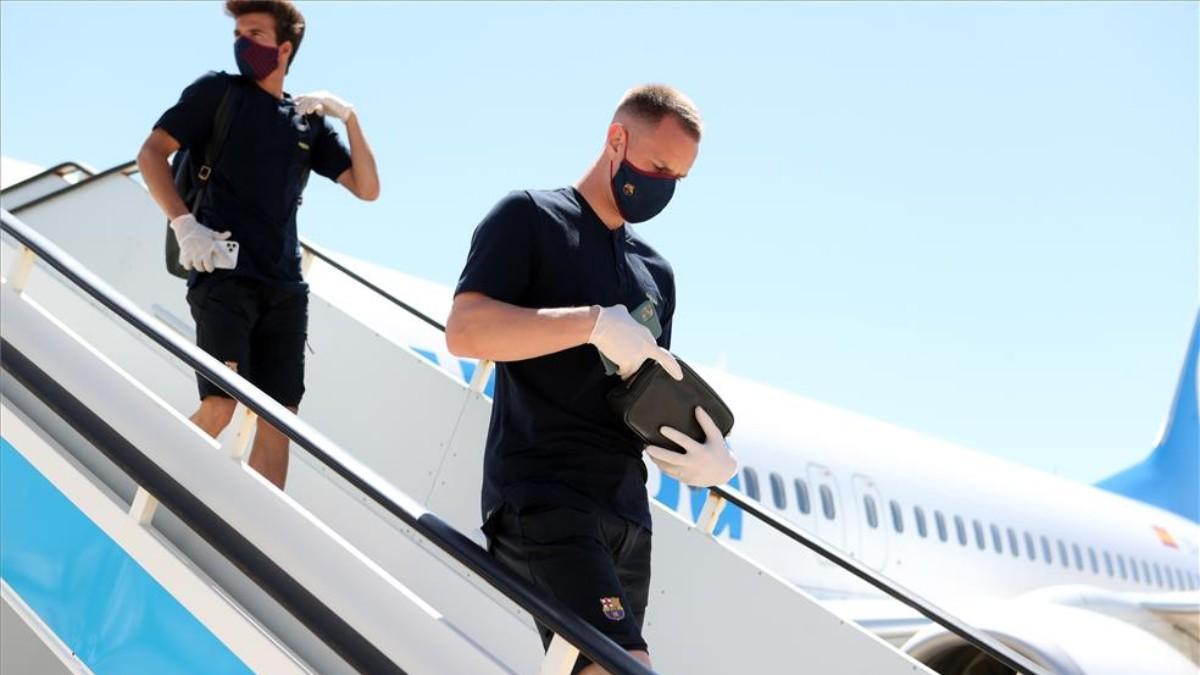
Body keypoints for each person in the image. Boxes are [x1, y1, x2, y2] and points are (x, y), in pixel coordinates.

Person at [446, 84, 738, 674]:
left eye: (677, 178)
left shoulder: (656, 273)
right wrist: (589, 324)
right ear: (616, 139)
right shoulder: (529, 218)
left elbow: (646, 394)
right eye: (657, 166)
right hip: (545, 495)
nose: (663, 186)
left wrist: (706, 456)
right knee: (622, 666)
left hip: (627, 516)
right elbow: (466, 330)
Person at [136, 0, 379, 489]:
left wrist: (349, 117)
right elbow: (151, 153)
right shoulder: (217, 93)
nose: (243, 42)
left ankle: (261, 550)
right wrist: (185, 225)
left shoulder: (307, 121)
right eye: (239, 32)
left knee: (278, 419)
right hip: (223, 272)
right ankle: (152, 491)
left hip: (285, 288)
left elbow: (367, 188)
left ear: (284, 48)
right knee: (221, 403)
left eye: (256, 33)